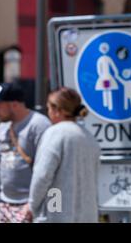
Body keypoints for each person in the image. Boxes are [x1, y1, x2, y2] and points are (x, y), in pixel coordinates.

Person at [28, 87, 100, 223]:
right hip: (87, 214)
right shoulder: (89, 137)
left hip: (57, 213)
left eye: (49, 107)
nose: (48, 112)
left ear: (57, 111)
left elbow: (43, 176)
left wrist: (32, 204)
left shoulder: (55, 134)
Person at [0, 82, 51, 223]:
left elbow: (47, 170)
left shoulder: (39, 125)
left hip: (29, 205)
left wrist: (34, 204)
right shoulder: (3, 127)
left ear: (14, 104)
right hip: (5, 204)